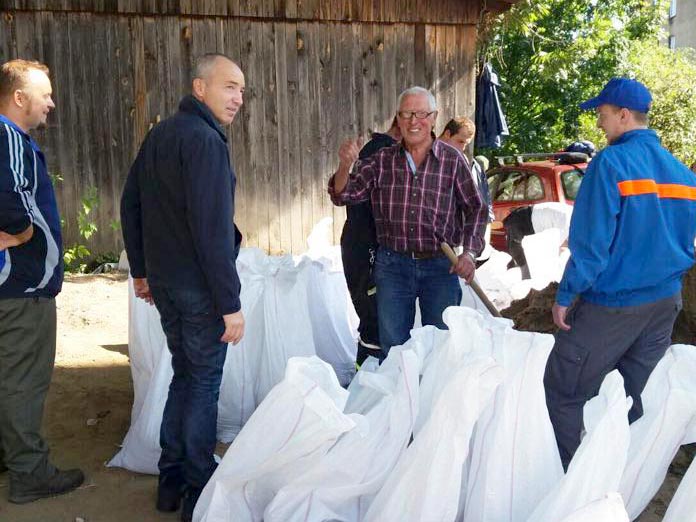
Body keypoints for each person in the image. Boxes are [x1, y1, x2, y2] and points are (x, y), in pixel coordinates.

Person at [544, 78, 696, 471]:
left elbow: (591, 245)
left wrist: (566, 295)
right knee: (634, 397)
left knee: (563, 389)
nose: (599, 123)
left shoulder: (610, 164)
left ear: (624, 115)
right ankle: (622, 479)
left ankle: (572, 484)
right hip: (664, 303)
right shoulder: (683, 174)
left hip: (613, 304)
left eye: (603, 114)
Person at [121, 53, 245, 522]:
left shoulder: (161, 135)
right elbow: (212, 231)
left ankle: (170, 480)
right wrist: (230, 303)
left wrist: (142, 271)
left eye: (242, 90)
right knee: (203, 384)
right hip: (198, 289)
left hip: (168, 285)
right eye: (229, 86)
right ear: (199, 87)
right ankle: (198, 486)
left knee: (185, 375)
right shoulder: (205, 141)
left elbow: (130, 203)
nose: (238, 98)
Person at [329, 87, 487, 359]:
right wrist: (345, 166)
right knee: (394, 350)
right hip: (393, 266)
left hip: (441, 266)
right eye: (406, 114)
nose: (414, 121)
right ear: (398, 119)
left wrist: (470, 254)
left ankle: (433, 388)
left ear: (434, 118)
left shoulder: (452, 161)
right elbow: (343, 194)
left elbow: (476, 209)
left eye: (421, 114)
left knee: (441, 347)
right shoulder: (382, 160)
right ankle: (400, 388)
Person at [0, 59, 85, 503]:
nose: (51, 103)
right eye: (45, 94)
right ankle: (29, 473)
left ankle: (10, 456)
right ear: (19, 97)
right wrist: (21, 233)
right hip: (23, 285)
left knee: (7, 375)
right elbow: (11, 198)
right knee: (23, 381)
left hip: (13, 283)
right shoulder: (9, 138)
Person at [340, 117, 401, 366]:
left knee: (376, 317)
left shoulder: (377, 148)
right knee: (373, 318)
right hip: (366, 247)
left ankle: (371, 376)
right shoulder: (382, 152)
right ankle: (366, 378)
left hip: (361, 243)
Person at [439, 116, 495, 257]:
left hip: (450, 241)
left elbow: (475, 204)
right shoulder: (423, 154)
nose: (462, 148)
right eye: (460, 141)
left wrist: (470, 249)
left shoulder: (460, 160)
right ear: (447, 134)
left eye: (466, 144)